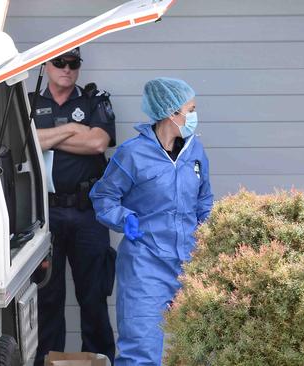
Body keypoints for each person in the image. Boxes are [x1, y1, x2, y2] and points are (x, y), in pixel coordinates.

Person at [90, 77, 214, 365]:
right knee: (141, 349)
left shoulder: (195, 151)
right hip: (145, 264)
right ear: (172, 112)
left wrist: (211, 233)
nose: (194, 116)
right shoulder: (132, 154)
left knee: (197, 348)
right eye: (190, 109)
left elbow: (204, 201)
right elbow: (104, 198)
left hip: (190, 263)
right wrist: (125, 218)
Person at [31, 47, 117, 365]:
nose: (67, 68)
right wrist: (70, 129)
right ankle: (50, 361)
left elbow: (97, 142)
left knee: (93, 297)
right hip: (46, 215)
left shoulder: (95, 101)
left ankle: (97, 361)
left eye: (73, 63)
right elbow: (23, 140)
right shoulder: (29, 103)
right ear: (46, 64)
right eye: (60, 62)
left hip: (87, 213)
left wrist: (47, 136)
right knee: (48, 298)